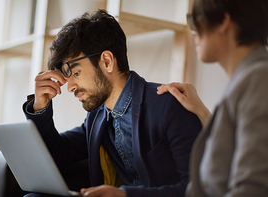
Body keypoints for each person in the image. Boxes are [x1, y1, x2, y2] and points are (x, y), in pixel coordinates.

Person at [22, 10, 201, 197]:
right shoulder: (97, 116)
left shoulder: (169, 106)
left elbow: (196, 188)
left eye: (76, 73)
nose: (70, 87)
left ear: (107, 62)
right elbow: (59, 154)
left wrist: (125, 195)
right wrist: (39, 108)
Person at [157, 0, 268, 196]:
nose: (192, 31)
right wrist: (202, 111)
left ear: (224, 20)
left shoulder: (257, 80)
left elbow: (252, 188)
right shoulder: (248, 80)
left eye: (194, 20)